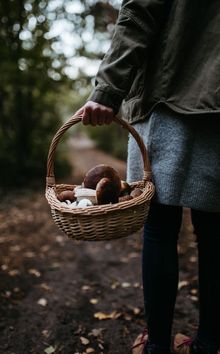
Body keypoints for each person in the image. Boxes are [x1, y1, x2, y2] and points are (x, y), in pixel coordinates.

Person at [77, 1, 220, 353]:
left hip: (167, 94)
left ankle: (156, 346)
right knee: (215, 233)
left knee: (159, 226)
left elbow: (140, 14)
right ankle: (209, 344)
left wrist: (108, 90)